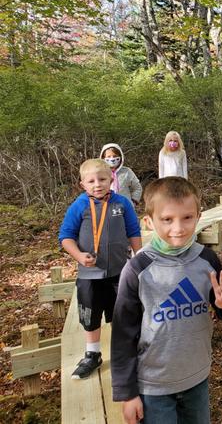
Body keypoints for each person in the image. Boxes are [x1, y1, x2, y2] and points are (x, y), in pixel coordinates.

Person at [111, 177, 222, 424]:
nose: (178, 228)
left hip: (197, 378)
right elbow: (122, 336)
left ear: (198, 216)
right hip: (153, 386)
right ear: (149, 222)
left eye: (187, 217)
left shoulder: (208, 260)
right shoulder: (138, 269)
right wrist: (128, 395)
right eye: (167, 219)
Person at [58, 159, 142, 380]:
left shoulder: (122, 203)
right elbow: (66, 237)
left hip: (120, 272)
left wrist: (138, 258)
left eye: (103, 179)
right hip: (89, 275)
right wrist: (78, 255)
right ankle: (92, 354)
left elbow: (133, 231)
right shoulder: (79, 206)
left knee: (122, 313)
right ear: (82, 184)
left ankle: (125, 353)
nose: (98, 184)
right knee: (90, 315)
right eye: (91, 181)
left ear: (112, 179)